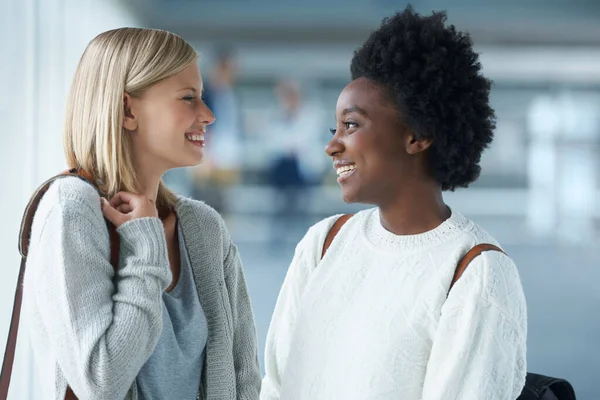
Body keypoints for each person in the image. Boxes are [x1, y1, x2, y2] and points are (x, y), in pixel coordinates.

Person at [261, 7, 527, 400]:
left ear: (417, 136)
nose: (332, 145)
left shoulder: (475, 274)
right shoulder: (323, 244)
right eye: (334, 128)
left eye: (351, 125)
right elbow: (276, 386)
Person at [16, 28, 261, 399]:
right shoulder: (71, 211)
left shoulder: (203, 228)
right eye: (188, 98)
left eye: (203, 97)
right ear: (128, 110)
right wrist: (146, 248)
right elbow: (101, 383)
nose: (208, 115)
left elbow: (243, 375)